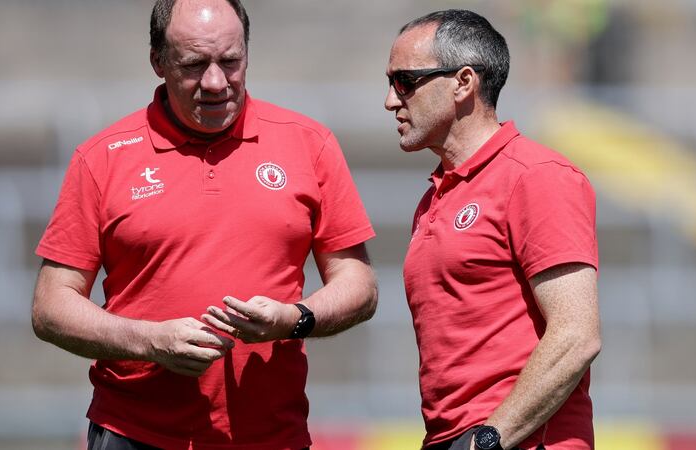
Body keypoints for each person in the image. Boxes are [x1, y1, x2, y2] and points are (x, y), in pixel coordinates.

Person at [31, 0, 378, 449]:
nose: (216, 83)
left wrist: (294, 319)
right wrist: (150, 341)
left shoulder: (308, 144)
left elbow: (359, 283)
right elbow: (50, 305)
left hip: (273, 436)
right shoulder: (102, 158)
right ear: (158, 62)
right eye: (194, 65)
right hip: (135, 434)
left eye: (230, 61)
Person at [384, 10, 601, 450]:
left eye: (405, 81)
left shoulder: (536, 175)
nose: (390, 100)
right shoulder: (435, 196)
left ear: (463, 82)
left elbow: (577, 335)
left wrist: (487, 441)